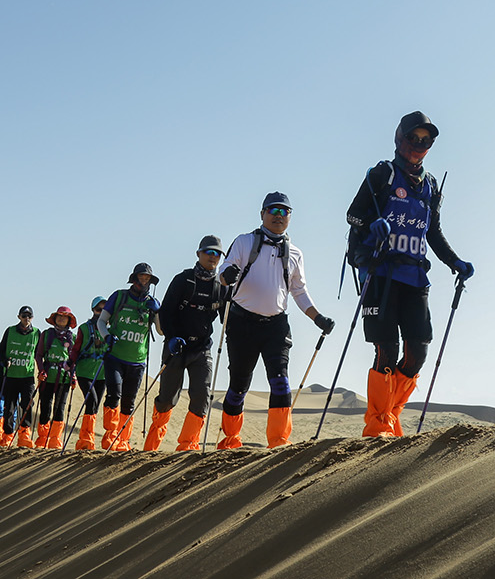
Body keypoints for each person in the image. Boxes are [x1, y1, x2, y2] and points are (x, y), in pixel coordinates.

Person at [346, 112, 475, 437]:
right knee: (386, 351)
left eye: (425, 140)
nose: (418, 145)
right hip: (380, 274)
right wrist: (372, 225)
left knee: (418, 353)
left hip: (415, 277)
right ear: (399, 138)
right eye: (412, 138)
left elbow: (433, 232)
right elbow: (353, 214)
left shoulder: (430, 186)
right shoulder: (383, 174)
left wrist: (455, 261)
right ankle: (377, 427)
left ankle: (389, 416)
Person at [216, 192, 334, 450]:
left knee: (280, 381)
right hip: (242, 323)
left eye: (285, 212)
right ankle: (230, 441)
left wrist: (318, 318)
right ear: (262, 214)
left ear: (290, 217)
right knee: (238, 385)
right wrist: (227, 274)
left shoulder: (295, 253)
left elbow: (299, 291)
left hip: (276, 326)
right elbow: (223, 274)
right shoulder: (245, 242)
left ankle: (279, 442)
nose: (279, 216)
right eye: (273, 210)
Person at [145, 235, 230, 451]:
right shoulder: (183, 280)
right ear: (199, 253)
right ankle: (151, 448)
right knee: (167, 399)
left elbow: (227, 318)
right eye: (209, 252)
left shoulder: (221, 286)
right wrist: (172, 337)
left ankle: (188, 446)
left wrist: (233, 290)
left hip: (202, 349)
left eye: (217, 253)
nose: (213, 256)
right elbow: (166, 312)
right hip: (177, 347)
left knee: (201, 396)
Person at [98, 264, 162, 451]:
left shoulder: (152, 303)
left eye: (147, 278)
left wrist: (158, 312)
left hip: (137, 361)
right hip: (115, 357)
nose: (144, 281)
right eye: (141, 277)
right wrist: (106, 336)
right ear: (134, 279)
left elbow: (161, 331)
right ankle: (110, 437)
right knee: (113, 394)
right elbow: (102, 321)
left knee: (129, 401)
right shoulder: (119, 296)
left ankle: (123, 441)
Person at [0, 306, 41, 447]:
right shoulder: (10, 331)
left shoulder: (37, 333)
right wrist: (3, 362)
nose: (26, 319)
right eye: (24, 316)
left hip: (27, 377)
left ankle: (24, 436)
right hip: (11, 376)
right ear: (19, 317)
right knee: (9, 407)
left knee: (27, 405)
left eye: (29, 316)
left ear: (32, 318)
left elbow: (39, 354)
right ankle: (7, 436)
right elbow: (0, 352)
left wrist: (43, 369)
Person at [34, 307, 79, 449]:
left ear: (69, 320)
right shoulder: (46, 334)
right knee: (45, 407)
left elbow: (74, 359)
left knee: (60, 408)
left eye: (65, 317)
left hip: (64, 378)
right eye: (59, 316)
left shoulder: (73, 337)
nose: (61, 319)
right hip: (47, 377)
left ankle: (55, 440)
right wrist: (41, 370)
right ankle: (42, 440)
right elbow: (39, 355)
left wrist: (73, 375)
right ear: (55, 318)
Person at [70, 297, 109, 450]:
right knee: (91, 400)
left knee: (95, 406)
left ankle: (89, 439)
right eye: (98, 310)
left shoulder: (111, 329)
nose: (101, 313)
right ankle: (85, 440)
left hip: (102, 373)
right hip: (84, 372)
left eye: (104, 310)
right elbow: (76, 348)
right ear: (93, 310)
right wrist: (70, 363)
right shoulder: (84, 328)